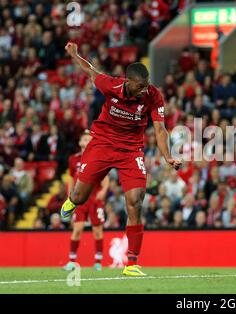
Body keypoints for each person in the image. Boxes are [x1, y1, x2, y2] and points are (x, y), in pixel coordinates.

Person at [60, 42, 181, 277]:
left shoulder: (153, 96)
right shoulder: (111, 85)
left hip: (131, 150)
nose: (144, 90)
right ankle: (72, 200)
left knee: (136, 200)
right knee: (80, 196)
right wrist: (75, 53)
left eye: (146, 86)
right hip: (102, 143)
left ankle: (132, 262)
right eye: (140, 86)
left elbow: (160, 129)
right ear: (128, 82)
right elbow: (90, 70)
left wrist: (167, 156)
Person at [63, 130, 109, 272]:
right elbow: (71, 178)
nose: (86, 141)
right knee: (77, 229)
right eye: (84, 139)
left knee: (97, 230)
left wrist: (103, 190)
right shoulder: (73, 159)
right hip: (79, 200)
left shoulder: (98, 158)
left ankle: (98, 262)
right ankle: (71, 261)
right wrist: (69, 196)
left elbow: (105, 178)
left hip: (94, 199)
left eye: (89, 139)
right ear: (80, 142)